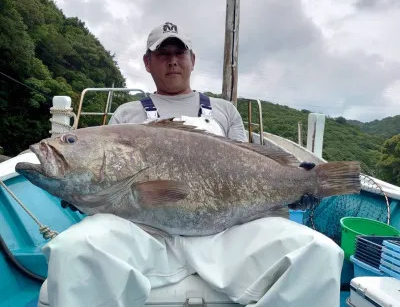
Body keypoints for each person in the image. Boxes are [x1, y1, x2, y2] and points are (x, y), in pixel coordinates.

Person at [40, 22, 344, 307]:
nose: (172, 61)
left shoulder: (225, 112)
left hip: (226, 232)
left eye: (179, 53)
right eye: (163, 54)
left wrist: (299, 184)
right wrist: (76, 189)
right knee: (71, 251)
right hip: (142, 232)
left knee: (319, 253)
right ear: (148, 63)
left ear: (192, 59)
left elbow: (249, 161)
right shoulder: (127, 113)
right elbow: (106, 180)